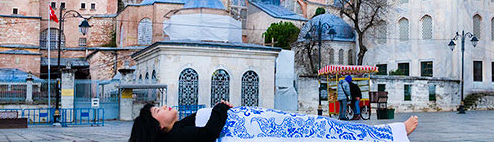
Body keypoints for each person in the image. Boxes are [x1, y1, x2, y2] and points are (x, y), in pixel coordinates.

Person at [130, 101, 418, 142]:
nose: (165, 107)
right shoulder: (176, 138)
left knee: (324, 129)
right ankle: (391, 134)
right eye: (158, 111)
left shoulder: (177, 131)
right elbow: (208, 136)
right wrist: (219, 107)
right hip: (260, 128)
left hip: (262, 123)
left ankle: (390, 133)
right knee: (322, 130)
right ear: (158, 126)